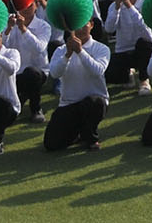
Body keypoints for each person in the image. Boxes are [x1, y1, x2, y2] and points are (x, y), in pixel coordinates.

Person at [45, 24, 110, 152]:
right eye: (77, 26)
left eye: (84, 24)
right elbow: (55, 73)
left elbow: (97, 71)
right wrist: (67, 55)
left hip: (94, 102)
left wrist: (80, 51)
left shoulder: (101, 48)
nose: (80, 29)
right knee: (51, 144)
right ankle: (78, 133)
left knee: (94, 103)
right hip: (69, 104)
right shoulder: (61, 50)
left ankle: (91, 138)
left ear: (91, 24)